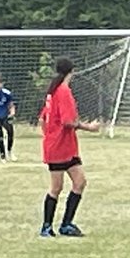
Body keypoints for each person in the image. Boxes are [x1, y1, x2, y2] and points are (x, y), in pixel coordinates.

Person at [39, 57, 100, 238]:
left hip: (67, 147)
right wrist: (88, 127)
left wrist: (48, 133)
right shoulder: (62, 91)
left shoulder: (53, 91)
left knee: (80, 182)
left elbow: (42, 119)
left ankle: (66, 224)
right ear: (72, 71)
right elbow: (67, 122)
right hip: (58, 148)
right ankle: (46, 227)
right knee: (56, 188)